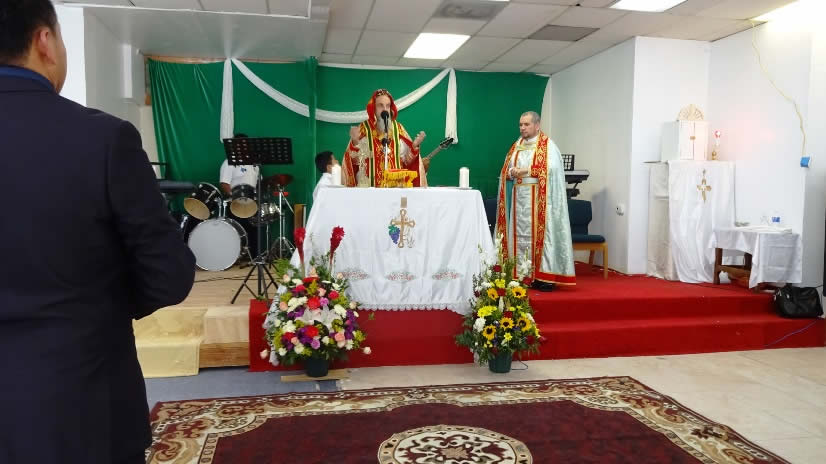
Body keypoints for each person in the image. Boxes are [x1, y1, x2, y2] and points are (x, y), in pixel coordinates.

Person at [0, 2, 196, 463]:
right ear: (45, 42)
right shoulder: (103, 139)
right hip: (81, 401)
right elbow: (169, 275)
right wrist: (101, 303)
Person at [495, 111, 575, 291]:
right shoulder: (516, 146)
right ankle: (520, 274)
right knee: (518, 238)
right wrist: (511, 172)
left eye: (526, 124)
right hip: (518, 201)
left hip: (540, 201)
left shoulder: (547, 146)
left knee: (542, 238)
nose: (522, 128)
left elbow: (552, 169)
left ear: (537, 125)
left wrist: (525, 170)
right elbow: (506, 169)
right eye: (520, 125)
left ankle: (543, 277)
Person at [341, 88, 428, 187]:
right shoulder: (363, 129)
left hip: (395, 189)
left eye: (388, 106)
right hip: (370, 191)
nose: (385, 109)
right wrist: (355, 142)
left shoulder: (398, 129)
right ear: (373, 108)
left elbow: (407, 162)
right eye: (380, 105)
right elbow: (355, 163)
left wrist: (414, 147)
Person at [218, 133, 259, 258]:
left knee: (253, 230)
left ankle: (253, 257)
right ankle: (236, 256)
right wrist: (234, 197)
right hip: (236, 203)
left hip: (252, 202)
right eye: (240, 144)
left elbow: (257, 182)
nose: (243, 147)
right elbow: (224, 183)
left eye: (245, 144)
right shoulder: (229, 162)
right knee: (239, 230)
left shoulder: (254, 164)